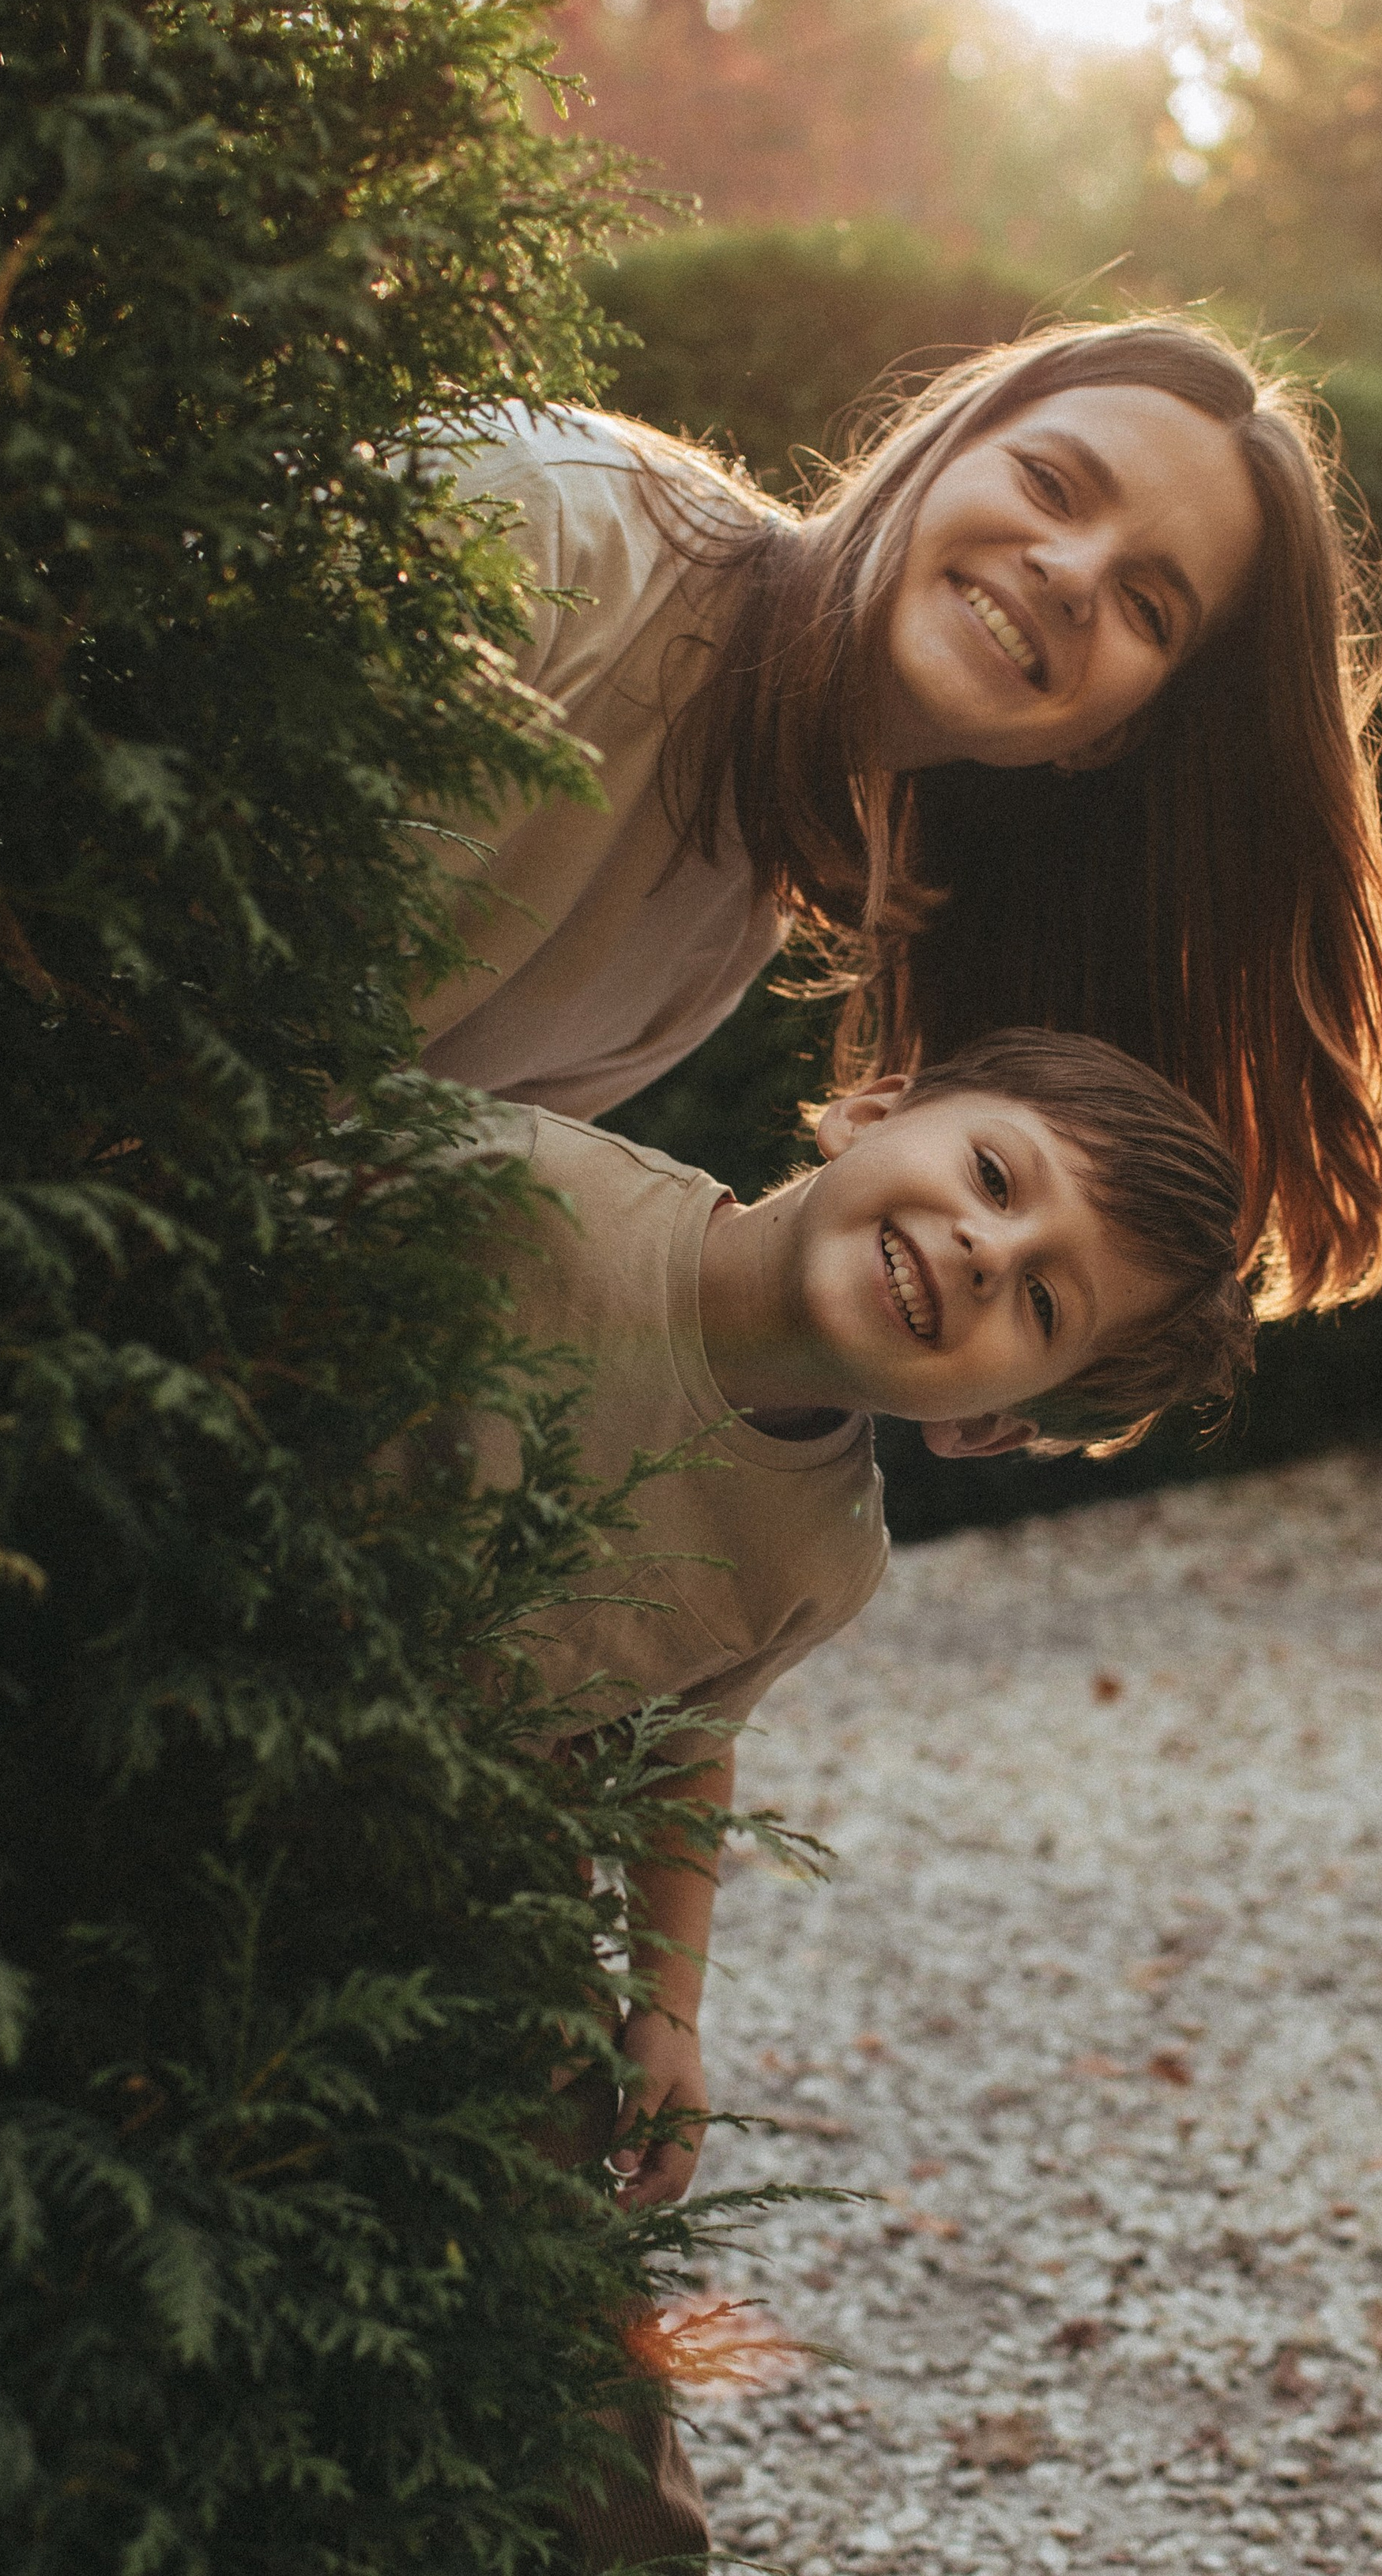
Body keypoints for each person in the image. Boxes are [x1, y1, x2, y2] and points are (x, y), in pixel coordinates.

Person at [456, 1028, 1254, 2570]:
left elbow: (684, 1738)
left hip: (489, 1881)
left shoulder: (821, 1555)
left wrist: (663, 2008)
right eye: (993, 1175)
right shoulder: (528, 1191)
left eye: (1038, 1299)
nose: (981, 1246)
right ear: (870, 1109)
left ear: (992, 1425)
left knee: (580, 2422)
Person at [414, 317, 1382, 1321]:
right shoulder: (558, 527)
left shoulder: (723, 930)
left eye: (1147, 606)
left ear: (1109, 737)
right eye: (1050, 484)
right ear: (938, 453)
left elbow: (378, 1191)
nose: (1072, 574)